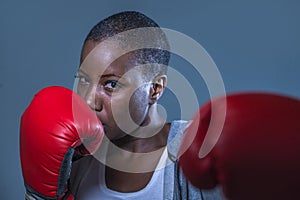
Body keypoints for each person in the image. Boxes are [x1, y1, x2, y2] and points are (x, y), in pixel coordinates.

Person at [68, 11, 225, 199]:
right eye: (84, 80)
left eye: (111, 84)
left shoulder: (196, 149)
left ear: (155, 89)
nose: (88, 100)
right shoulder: (75, 158)